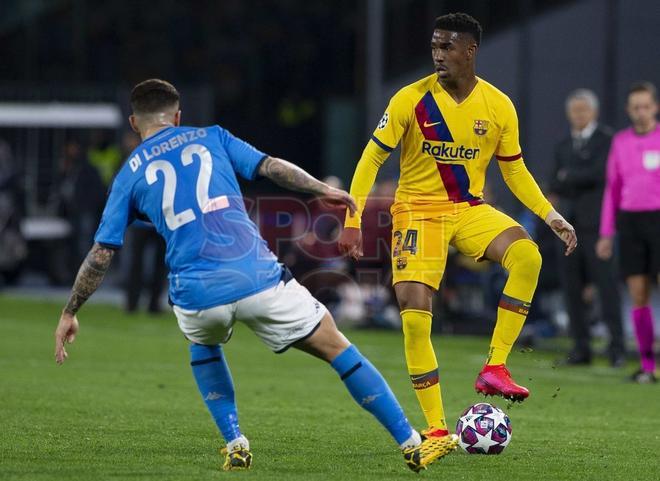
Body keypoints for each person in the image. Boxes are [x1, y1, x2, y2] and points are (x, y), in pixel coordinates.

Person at [53, 79, 458, 472]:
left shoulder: (127, 174)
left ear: (133, 124)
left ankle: (234, 442)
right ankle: (410, 441)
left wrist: (71, 310)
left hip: (196, 294)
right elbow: (271, 167)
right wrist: (321, 188)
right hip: (255, 276)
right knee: (336, 347)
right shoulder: (212, 135)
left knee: (203, 342)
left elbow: (102, 252)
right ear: (178, 116)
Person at [338, 13, 577, 439]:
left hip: (467, 209)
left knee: (527, 256)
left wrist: (550, 216)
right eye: (434, 46)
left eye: (447, 47)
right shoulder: (410, 99)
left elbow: (515, 171)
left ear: (470, 51)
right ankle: (435, 431)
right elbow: (371, 158)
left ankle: (496, 366)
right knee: (415, 317)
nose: (438, 54)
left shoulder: (498, 105)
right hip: (416, 211)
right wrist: (352, 218)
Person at [551, 89, 624, 366]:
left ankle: (616, 348)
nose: (579, 115)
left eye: (584, 110)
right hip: (569, 228)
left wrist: (569, 176)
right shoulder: (562, 145)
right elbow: (553, 182)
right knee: (571, 290)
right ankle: (581, 349)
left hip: (597, 226)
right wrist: (573, 178)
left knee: (607, 288)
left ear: (593, 112)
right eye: (575, 110)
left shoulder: (607, 140)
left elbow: (602, 174)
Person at [597, 81, 660, 384]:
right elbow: (613, 189)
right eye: (635, 107)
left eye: (645, 106)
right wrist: (606, 233)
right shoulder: (620, 141)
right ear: (628, 110)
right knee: (638, 295)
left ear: (655, 107)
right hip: (631, 223)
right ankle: (647, 366)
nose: (640, 112)